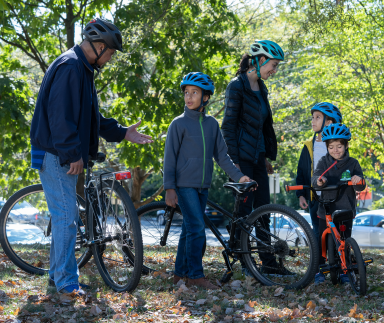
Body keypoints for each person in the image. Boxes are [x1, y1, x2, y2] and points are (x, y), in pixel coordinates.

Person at [30, 18, 153, 295]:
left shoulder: (82, 68)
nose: (109, 59)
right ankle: (65, 284)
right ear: (99, 46)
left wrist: (122, 132)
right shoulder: (71, 67)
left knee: (65, 215)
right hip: (56, 153)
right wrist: (72, 153)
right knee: (66, 217)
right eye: (110, 53)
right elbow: (60, 116)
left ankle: (57, 278)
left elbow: (90, 117)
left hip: (58, 151)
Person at [163, 72, 253, 290]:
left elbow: (222, 156)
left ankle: (179, 274)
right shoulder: (178, 124)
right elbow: (169, 158)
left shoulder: (212, 124)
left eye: (194, 92)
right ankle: (195, 275)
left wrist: (239, 176)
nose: (189, 97)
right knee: (196, 227)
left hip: (203, 186)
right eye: (186, 93)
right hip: (184, 185)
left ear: (205, 97)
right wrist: (169, 188)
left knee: (189, 229)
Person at [221, 40, 293, 276]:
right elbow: (228, 128)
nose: (275, 69)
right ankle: (242, 261)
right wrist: (235, 166)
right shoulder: (236, 86)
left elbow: (261, 127)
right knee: (244, 211)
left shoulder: (261, 88)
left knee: (264, 210)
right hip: (241, 159)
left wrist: (265, 158)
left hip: (258, 157)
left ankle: (269, 263)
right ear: (260, 60)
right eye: (273, 64)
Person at [311, 123, 365, 284]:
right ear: (327, 147)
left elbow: (361, 184)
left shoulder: (352, 163)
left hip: (345, 209)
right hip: (326, 209)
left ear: (346, 145)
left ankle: (344, 270)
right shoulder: (323, 162)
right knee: (322, 241)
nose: (336, 150)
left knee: (344, 241)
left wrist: (357, 180)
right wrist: (320, 181)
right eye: (332, 147)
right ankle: (320, 270)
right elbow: (316, 178)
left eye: (339, 146)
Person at [296, 103, 342, 241]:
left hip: (335, 198)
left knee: (336, 234)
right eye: (312, 117)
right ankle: (320, 263)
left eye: (317, 117)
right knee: (318, 234)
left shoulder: (338, 146)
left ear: (329, 122)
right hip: (315, 197)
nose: (313, 121)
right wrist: (301, 195)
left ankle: (339, 261)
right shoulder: (308, 146)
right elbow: (301, 172)